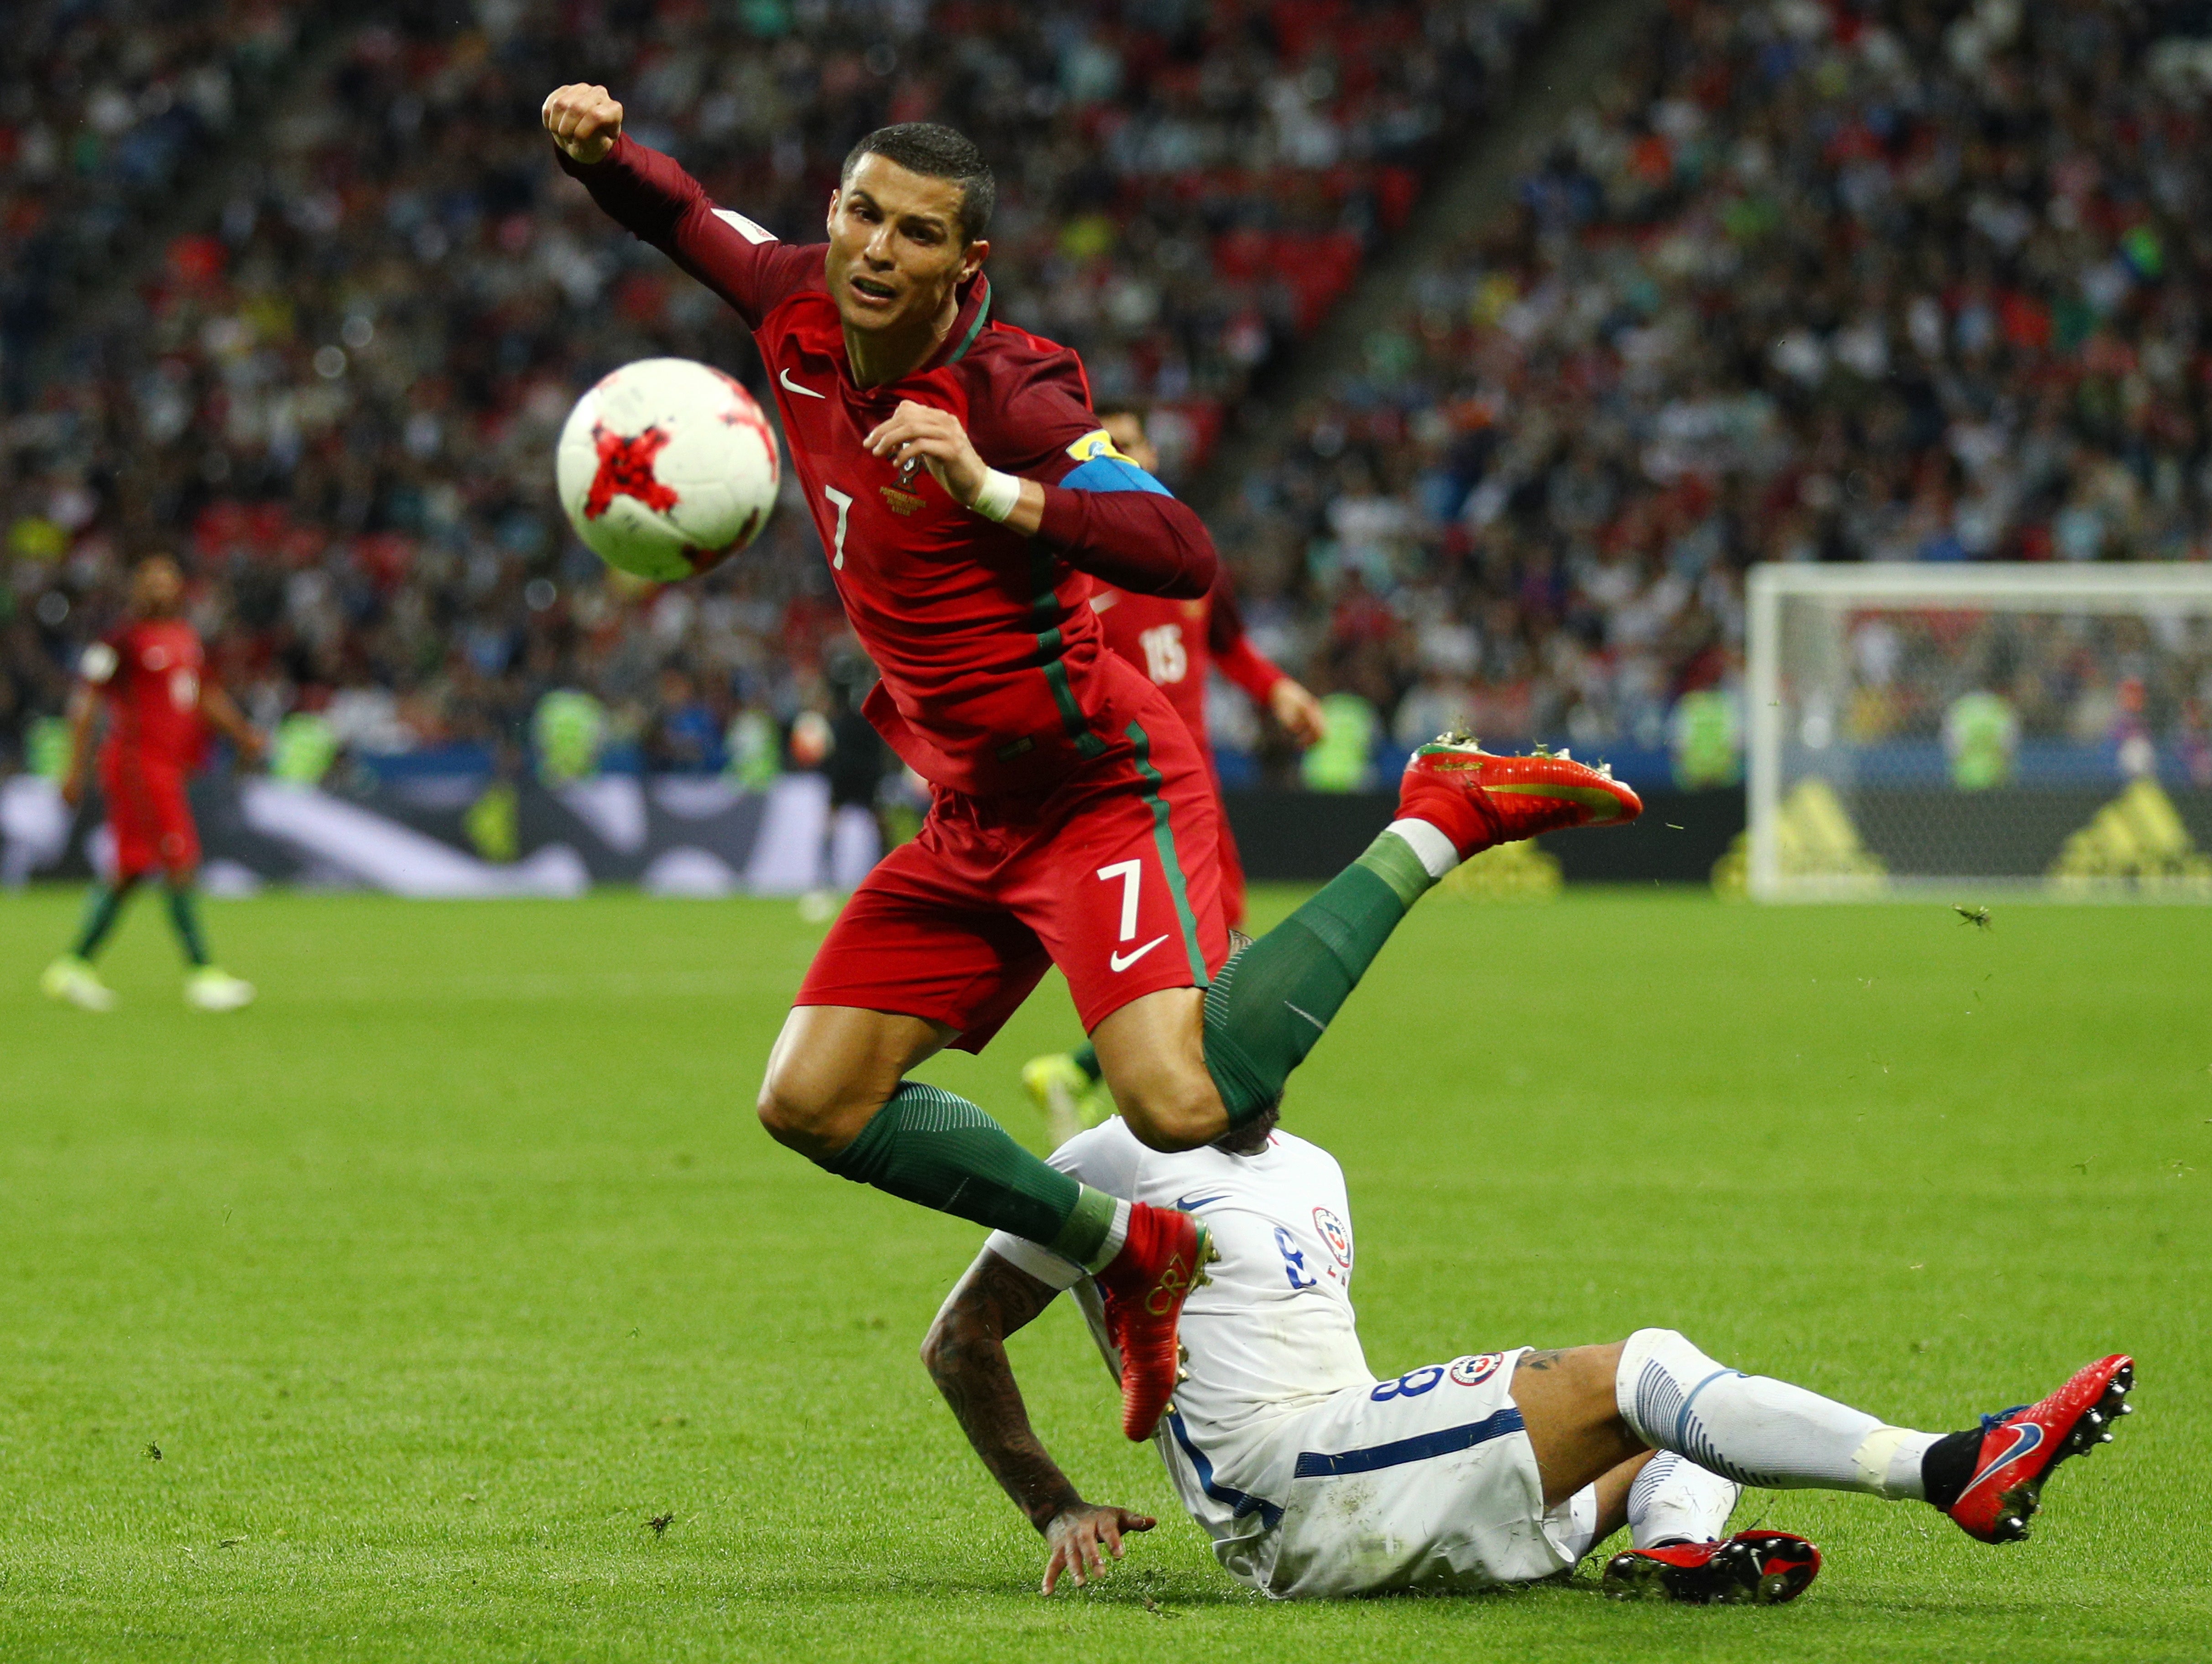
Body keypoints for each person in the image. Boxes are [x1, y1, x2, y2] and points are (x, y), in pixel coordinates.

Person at [544, 85, 1642, 1442]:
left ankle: (1437, 817)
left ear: (968, 266)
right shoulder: (794, 307)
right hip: (966, 814)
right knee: (810, 1100)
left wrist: (989, 490)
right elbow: (680, 214)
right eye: (861, 215)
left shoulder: (1011, 390)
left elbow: (1179, 551)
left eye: (917, 233)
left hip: (1093, 788)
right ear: (831, 216)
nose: (878, 250)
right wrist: (599, 156)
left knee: (1176, 1100)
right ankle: (1127, 1254)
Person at [923, 1105, 2135, 1602]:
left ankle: (1670, 1554)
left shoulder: (1313, 1165)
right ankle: (1953, 1467)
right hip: (1281, 1488)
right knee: (1640, 1372)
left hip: (1360, 1473)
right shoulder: (1110, 1160)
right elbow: (960, 1338)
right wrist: (1054, 1505)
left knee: (1683, 1401)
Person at [1021, 400, 1323, 1142]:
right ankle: (1162, 1093)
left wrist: (1276, 689)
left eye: (1130, 443)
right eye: (1103, 444)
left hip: (1194, 781)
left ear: (1152, 455)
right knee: (1212, 944)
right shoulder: (1071, 567)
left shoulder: (1188, 555)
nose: (1119, 454)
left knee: (1218, 939)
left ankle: (1099, 1079)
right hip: (1126, 783)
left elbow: (1227, 642)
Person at [40, 555, 261, 1012]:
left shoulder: (186, 638)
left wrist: (244, 735)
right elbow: (86, 705)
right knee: (180, 861)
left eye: (168, 580)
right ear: (137, 589)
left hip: (169, 766)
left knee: (132, 870)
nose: (160, 588)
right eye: (151, 580)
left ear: (181, 588)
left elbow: (204, 696)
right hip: (138, 765)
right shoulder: (121, 641)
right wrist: (73, 770)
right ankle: (203, 973)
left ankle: (73, 967)